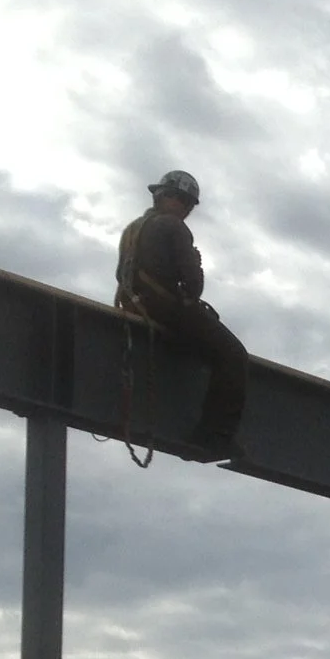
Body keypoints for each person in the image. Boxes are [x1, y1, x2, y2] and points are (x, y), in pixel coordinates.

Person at [116, 169, 248, 460]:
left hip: (137, 306)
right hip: (165, 310)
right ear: (168, 198)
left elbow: (121, 274)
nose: (186, 209)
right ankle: (215, 435)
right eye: (184, 202)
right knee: (233, 355)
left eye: (189, 205)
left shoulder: (134, 229)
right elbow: (192, 285)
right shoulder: (173, 228)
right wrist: (196, 264)